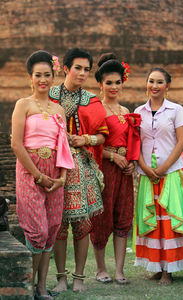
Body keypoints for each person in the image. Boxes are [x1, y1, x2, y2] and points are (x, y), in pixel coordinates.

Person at [11, 50, 74, 300]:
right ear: (30, 77)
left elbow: (64, 146)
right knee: (37, 230)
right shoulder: (23, 105)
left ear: (53, 76)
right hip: (30, 171)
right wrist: (38, 176)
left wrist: (62, 178)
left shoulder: (59, 109)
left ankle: (40, 287)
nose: (43, 80)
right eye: (38, 75)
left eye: (47, 75)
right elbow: (16, 144)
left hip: (55, 175)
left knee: (51, 229)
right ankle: (27, 287)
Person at [49, 48, 109, 292]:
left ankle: (79, 278)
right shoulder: (49, 95)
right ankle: (61, 278)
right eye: (78, 68)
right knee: (59, 224)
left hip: (81, 167)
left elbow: (102, 136)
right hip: (54, 167)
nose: (83, 73)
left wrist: (85, 140)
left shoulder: (91, 100)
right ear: (65, 69)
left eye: (87, 69)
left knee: (82, 223)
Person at [133, 67, 183, 284]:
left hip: (169, 174)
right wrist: (145, 168)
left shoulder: (175, 110)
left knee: (169, 221)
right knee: (152, 221)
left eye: (160, 82)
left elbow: (182, 142)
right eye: (151, 81)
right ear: (146, 84)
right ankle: (156, 267)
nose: (155, 86)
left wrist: (162, 169)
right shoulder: (138, 111)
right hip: (146, 175)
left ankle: (168, 270)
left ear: (167, 86)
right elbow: (136, 144)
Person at [90, 53, 141, 284]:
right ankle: (101, 269)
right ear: (100, 84)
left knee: (123, 218)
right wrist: (112, 156)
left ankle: (120, 270)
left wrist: (130, 161)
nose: (113, 87)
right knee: (102, 219)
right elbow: (89, 144)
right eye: (108, 82)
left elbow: (132, 142)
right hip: (103, 172)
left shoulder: (125, 111)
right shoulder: (96, 109)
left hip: (124, 172)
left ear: (123, 82)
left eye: (117, 82)